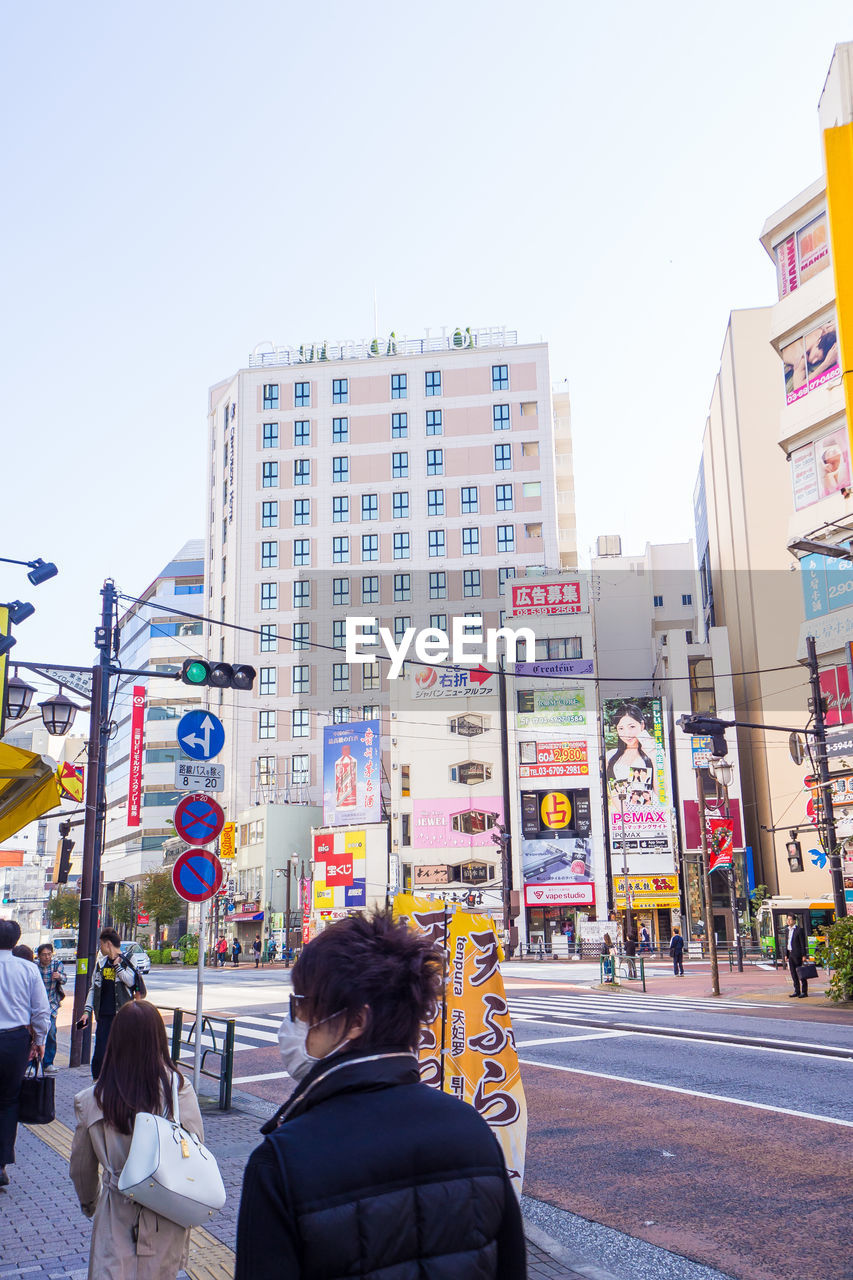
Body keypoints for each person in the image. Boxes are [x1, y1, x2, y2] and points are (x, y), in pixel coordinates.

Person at [235, 911, 526, 1279]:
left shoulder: (281, 1160)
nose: (294, 1021)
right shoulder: (474, 1132)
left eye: (304, 1006)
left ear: (356, 1021)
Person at [70, 999, 204, 1280]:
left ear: (115, 1040)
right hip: (167, 1213)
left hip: (116, 1211)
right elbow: (196, 1149)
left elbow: (81, 1168)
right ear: (159, 1038)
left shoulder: (93, 1100)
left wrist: (91, 1204)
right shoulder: (178, 1091)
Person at [0, 918, 51, 1188]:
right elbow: (41, 1010)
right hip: (15, 1041)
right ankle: (1, 1164)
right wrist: (39, 1040)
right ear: (15, 941)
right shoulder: (27, 969)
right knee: (8, 1101)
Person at [79, 928, 139, 1080]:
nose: (100, 947)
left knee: (122, 1053)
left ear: (108, 944)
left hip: (123, 1016)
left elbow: (131, 981)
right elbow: (94, 988)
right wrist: (86, 1011)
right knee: (99, 1054)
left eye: (101, 944)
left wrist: (117, 966)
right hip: (104, 1016)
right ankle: (97, 1084)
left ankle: (122, 1086)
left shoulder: (129, 959)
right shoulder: (101, 963)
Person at [36, 942, 66, 1074]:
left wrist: (59, 977)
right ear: (39, 956)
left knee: (51, 1032)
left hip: (51, 1003)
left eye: (49, 954)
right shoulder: (34, 966)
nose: (47, 957)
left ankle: (48, 1063)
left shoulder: (56, 965)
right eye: (44, 955)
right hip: (36, 1005)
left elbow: (64, 979)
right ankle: (32, 1062)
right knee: (35, 1033)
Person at [785, 914, 810, 998]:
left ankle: (804, 991)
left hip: (798, 954)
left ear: (794, 921)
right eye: (787, 920)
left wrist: (804, 955)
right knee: (793, 974)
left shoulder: (799, 930)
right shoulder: (787, 930)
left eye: (790, 920)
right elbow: (787, 943)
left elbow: (802, 943)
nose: (788, 921)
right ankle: (797, 991)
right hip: (791, 954)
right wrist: (786, 954)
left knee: (801, 973)